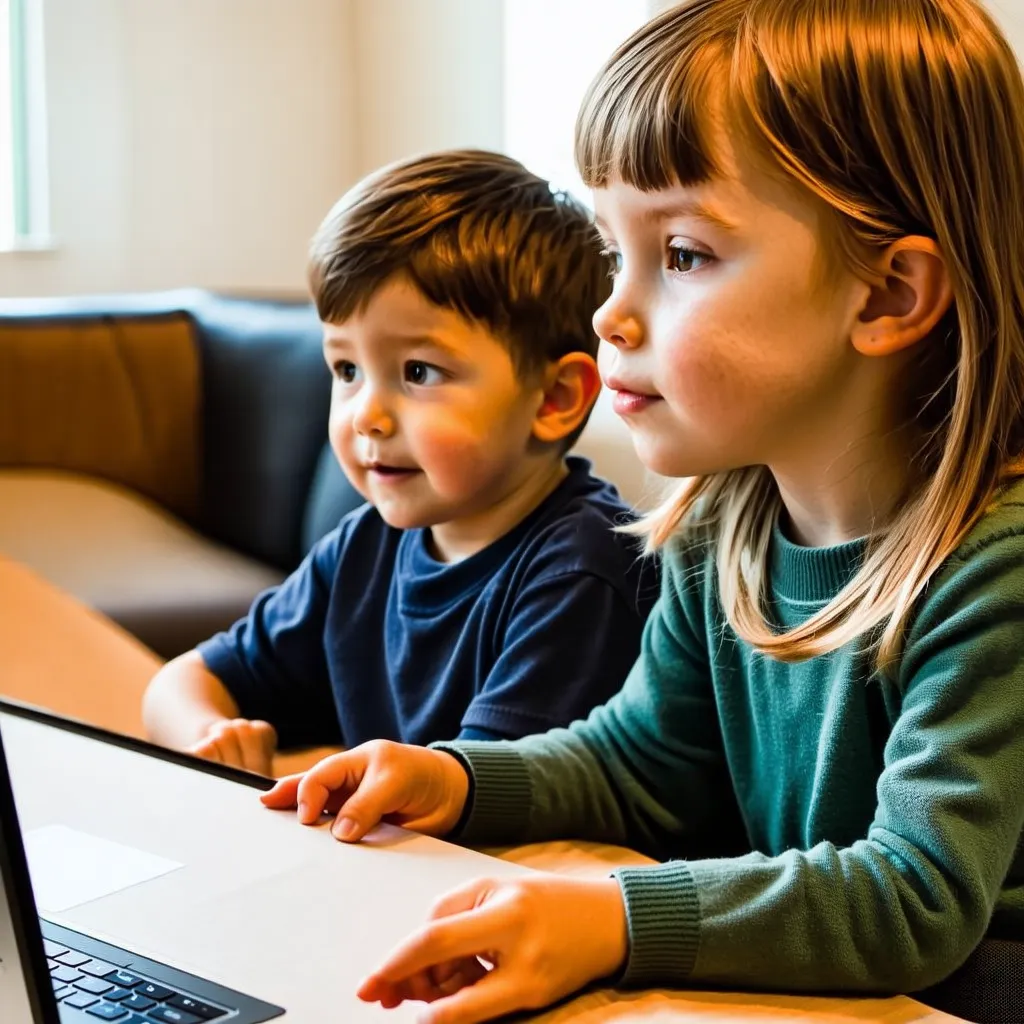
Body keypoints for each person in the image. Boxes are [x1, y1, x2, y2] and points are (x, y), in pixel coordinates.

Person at [261, 1, 1024, 1021]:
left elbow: (913, 898)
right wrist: (456, 779)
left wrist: (610, 916)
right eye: (613, 250)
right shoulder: (723, 523)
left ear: (886, 295)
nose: (608, 313)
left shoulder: (992, 566)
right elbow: (639, 761)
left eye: (683, 254)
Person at [142, 149, 658, 776]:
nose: (367, 415)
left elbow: (485, 805)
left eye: (418, 372)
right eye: (346, 370)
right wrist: (210, 735)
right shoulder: (364, 549)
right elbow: (183, 681)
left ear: (554, 399)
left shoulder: (583, 573)